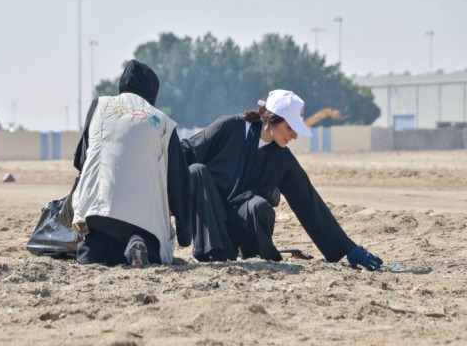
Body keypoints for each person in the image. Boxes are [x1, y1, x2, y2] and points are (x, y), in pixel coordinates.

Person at [181, 89, 383, 271]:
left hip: (238, 228)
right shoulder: (230, 126)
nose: (294, 136)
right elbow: (186, 152)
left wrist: (348, 248)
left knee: (259, 206)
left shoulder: (282, 158)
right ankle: (207, 252)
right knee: (196, 171)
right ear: (271, 118)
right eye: (290, 128)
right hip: (208, 217)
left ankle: (255, 255)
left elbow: (308, 202)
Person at [71, 59, 192, 267]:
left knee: (94, 250)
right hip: (144, 222)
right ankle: (136, 243)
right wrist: (184, 233)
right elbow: (179, 185)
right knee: (150, 246)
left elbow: (82, 161)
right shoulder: (164, 123)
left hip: (97, 216)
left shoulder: (99, 106)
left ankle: (99, 252)